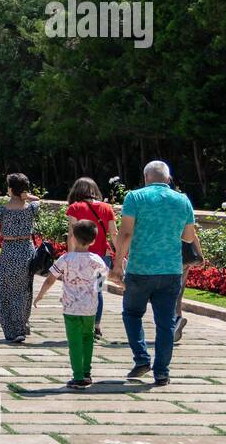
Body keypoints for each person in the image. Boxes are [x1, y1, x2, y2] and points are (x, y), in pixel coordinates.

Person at [109, 161, 198, 387]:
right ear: (168, 179)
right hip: (170, 270)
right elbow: (188, 237)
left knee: (131, 314)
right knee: (166, 323)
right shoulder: (182, 200)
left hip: (140, 268)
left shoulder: (135, 197)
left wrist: (118, 264)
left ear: (146, 177)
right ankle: (162, 372)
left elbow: (126, 233)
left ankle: (141, 358)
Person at [34, 220, 110, 389]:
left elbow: (50, 279)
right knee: (88, 338)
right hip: (90, 307)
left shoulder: (66, 258)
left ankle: (78, 377)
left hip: (71, 308)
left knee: (74, 341)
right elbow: (105, 278)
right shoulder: (96, 259)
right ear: (93, 240)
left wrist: (39, 296)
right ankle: (87, 372)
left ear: (73, 238)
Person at [0, 174, 40, 344]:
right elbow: (39, 200)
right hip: (27, 250)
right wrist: (26, 196)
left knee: (6, 291)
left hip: (9, 251)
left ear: (11, 189)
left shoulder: (1, 211)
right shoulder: (31, 208)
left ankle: (13, 330)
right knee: (24, 290)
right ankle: (22, 325)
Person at [65, 177, 118, 341]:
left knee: (79, 290)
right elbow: (114, 234)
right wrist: (122, 255)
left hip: (81, 256)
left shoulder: (75, 208)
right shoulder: (107, 208)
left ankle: (82, 323)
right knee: (98, 291)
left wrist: (70, 256)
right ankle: (96, 326)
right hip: (102, 257)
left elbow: (72, 236)